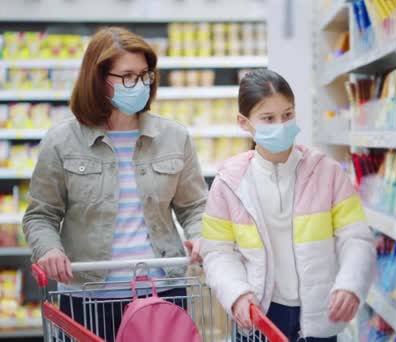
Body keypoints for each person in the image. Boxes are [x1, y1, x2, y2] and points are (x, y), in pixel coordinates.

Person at [22, 27, 208, 340]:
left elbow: (194, 207)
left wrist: (202, 236)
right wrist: (49, 249)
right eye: (128, 76)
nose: (140, 85)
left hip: (163, 292)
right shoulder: (62, 141)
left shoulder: (174, 137)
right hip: (88, 295)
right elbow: (40, 215)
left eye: (145, 75)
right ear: (98, 79)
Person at [200, 69, 375, 341]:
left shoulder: (327, 173)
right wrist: (237, 293)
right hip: (259, 314)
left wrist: (351, 285)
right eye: (268, 118)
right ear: (244, 123)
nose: (281, 125)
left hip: (319, 313)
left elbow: (357, 238)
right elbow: (217, 252)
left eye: (288, 114)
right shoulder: (229, 184)